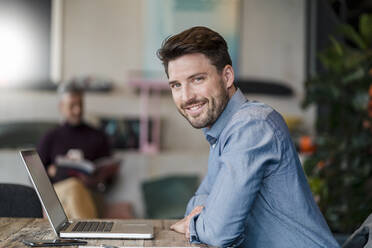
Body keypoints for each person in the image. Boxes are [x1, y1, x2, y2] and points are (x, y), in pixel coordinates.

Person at [157, 26, 340, 248]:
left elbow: (219, 232)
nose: (186, 96)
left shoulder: (252, 126)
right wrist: (206, 216)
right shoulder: (225, 132)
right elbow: (199, 201)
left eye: (197, 79)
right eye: (176, 85)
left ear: (226, 77)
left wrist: (196, 223)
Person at [37, 81, 120, 219]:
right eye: (72, 106)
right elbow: (35, 177)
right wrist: (52, 171)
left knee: (70, 204)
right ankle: (88, 234)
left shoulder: (97, 136)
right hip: (59, 193)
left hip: (90, 193)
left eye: (80, 105)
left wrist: (99, 179)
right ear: (61, 107)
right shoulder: (50, 137)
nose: (78, 110)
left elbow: (108, 176)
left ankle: (70, 234)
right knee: (74, 187)